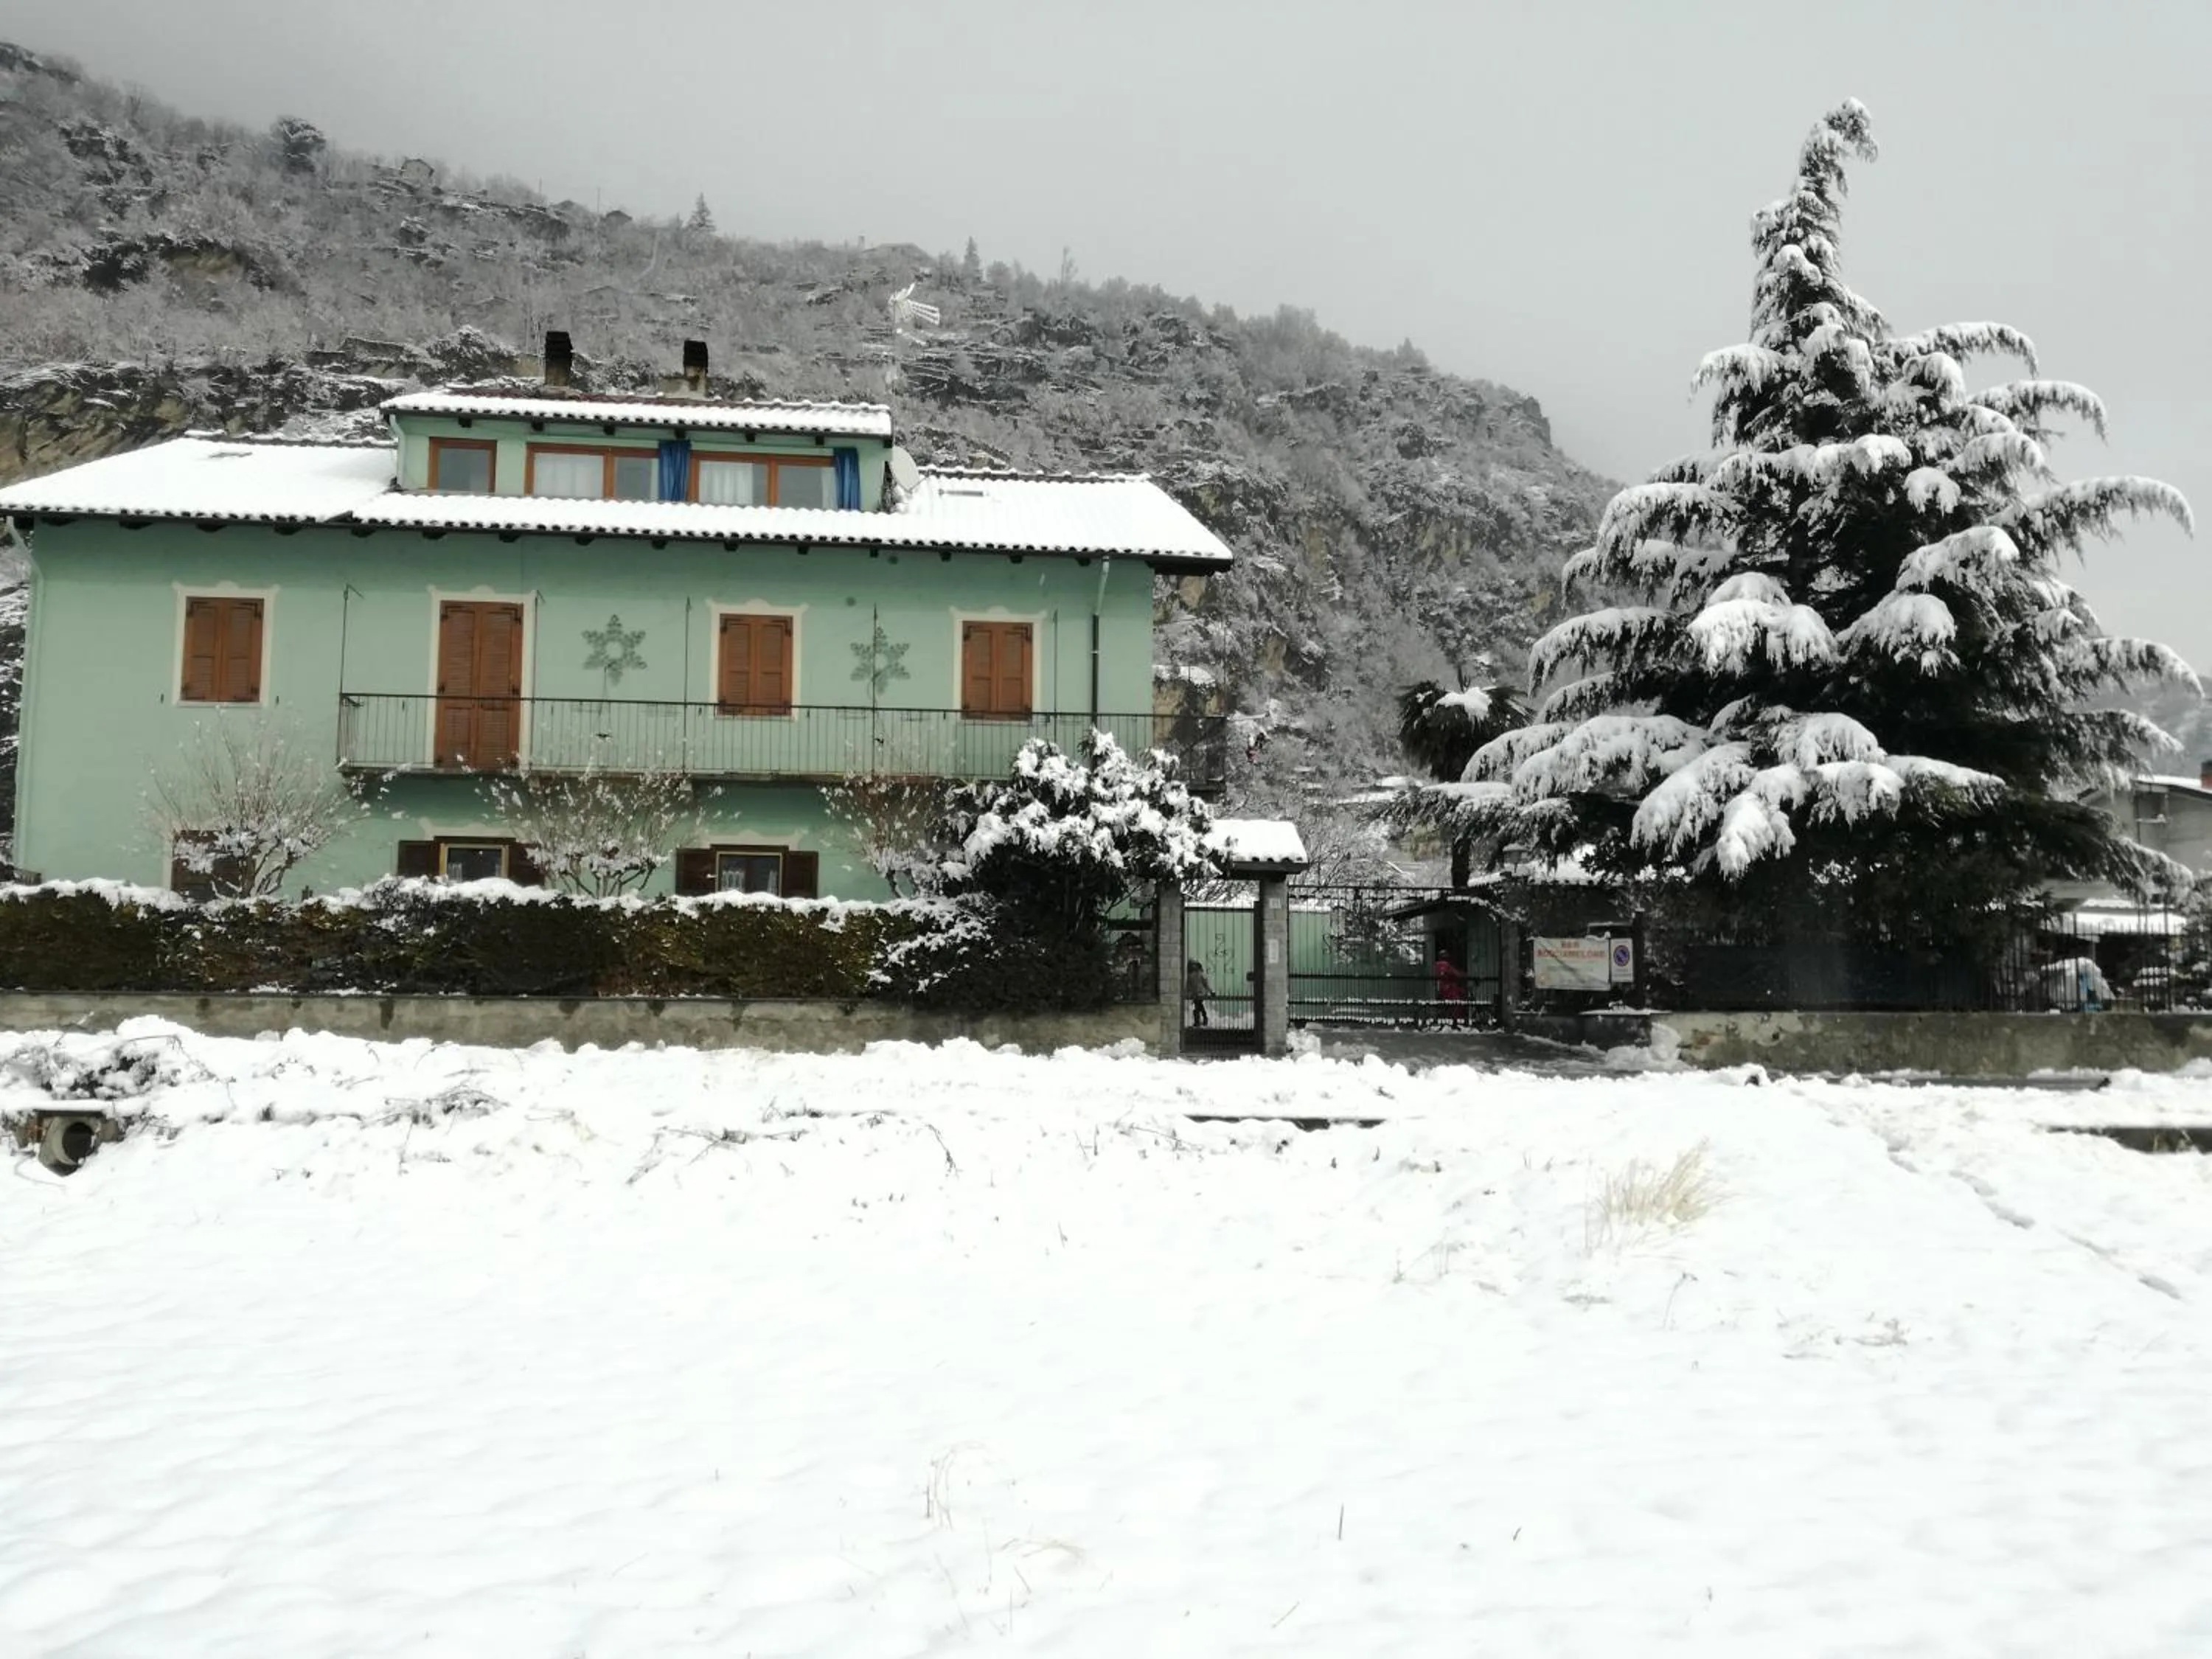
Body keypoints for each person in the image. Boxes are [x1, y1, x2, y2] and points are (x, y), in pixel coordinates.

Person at [1435, 947, 1467, 1026]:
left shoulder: (1436, 965)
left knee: (1450, 1004)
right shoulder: (1446, 965)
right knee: (1457, 1002)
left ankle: (1450, 1017)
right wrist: (1464, 975)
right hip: (1449, 988)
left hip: (1442, 987)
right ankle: (1455, 1021)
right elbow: (1455, 973)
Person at [1186, 958, 1213, 1027]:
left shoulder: (1198, 974)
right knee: (1198, 1006)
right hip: (1197, 994)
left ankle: (1199, 1021)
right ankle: (1202, 1019)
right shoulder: (1197, 974)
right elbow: (1189, 986)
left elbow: (1205, 984)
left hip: (1200, 993)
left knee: (1197, 1007)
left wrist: (1210, 991)